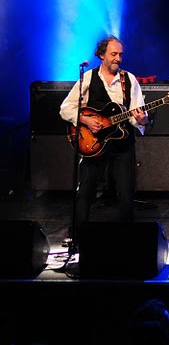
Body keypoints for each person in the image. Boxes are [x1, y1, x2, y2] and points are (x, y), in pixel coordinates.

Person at [59, 36, 148, 248]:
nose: (118, 58)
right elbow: (66, 108)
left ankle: (125, 244)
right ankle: (79, 240)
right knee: (86, 192)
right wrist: (85, 120)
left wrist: (142, 119)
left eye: (120, 55)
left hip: (122, 145)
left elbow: (137, 113)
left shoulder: (130, 80)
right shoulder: (88, 78)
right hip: (94, 145)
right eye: (113, 54)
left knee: (126, 195)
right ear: (101, 55)